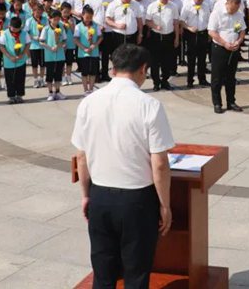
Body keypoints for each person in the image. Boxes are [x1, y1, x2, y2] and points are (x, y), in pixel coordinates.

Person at [71, 44, 174, 289]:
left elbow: (81, 156)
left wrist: (86, 195)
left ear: (113, 68)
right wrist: (165, 205)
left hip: (100, 195)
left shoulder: (88, 102)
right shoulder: (149, 105)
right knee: (136, 271)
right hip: (137, 199)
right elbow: (159, 163)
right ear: (143, 69)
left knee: (103, 271)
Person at [207, 0, 246, 114]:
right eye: (232, 9)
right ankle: (217, 103)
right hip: (220, 48)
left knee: (231, 77)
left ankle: (231, 102)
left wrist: (239, 41)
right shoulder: (217, 13)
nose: (233, 11)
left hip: (234, 48)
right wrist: (224, 43)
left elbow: (242, 30)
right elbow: (212, 32)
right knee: (217, 77)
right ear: (228, 3)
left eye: (236, 9)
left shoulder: (239, 14)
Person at [144, 0, 179, 91]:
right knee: (155, 61)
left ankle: (165, 81)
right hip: (156, 37)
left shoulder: (173, 6)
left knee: (167, 61)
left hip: (168, 36)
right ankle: (156, 82)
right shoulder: (152, 6)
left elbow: (176, 23)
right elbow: (147, 21)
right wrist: (155, 26)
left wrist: (177, 38)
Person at [179, 0, 211, 88]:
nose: (200, 1)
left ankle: (202, 79)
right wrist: (189, 28)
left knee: (202, 58)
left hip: (203, 33)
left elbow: (209, 20)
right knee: (191, 59)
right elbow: (181, 21)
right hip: (191, 34)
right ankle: (190, 80)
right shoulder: (188, 6)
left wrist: (209, 34)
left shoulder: (206, 6)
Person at [0, 16, 31, 104]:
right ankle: (11, 96)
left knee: (20, 79)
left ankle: (19, 95)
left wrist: (23, 54)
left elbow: (28, 44)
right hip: (9, 61)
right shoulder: (5, 34)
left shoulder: (24, 33)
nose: (15, 30)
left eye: (17, 29)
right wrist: (9, 56)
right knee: (10, 80)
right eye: (13, 28)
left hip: (21, 61)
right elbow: (1, 46)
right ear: (9, 26)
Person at [39, 10, 67, 101]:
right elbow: (41, 41)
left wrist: (58, 46)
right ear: (50, 19)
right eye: (54, 19)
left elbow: (64, 40)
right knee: (50, 75)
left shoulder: (61, 28)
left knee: (58, 74)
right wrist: (50, 47)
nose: (56, 21)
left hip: (60, 55)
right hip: (49, 55)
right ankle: (50, 92)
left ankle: (58, 91)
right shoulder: (46, 29)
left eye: (58, 19)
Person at [76, 6, 103, 95]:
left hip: (94, 52)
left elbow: (100, 37)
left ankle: (91, 89)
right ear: (82, 15)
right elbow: (75, 39)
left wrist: (94, 45)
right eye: (87, 17)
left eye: (90, 17)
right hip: (83, 53)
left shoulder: (95, 25)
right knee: (84, 72)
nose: (88, 19)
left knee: (93, 72)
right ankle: (85, 89)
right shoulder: (78, 26)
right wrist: (84, 48)